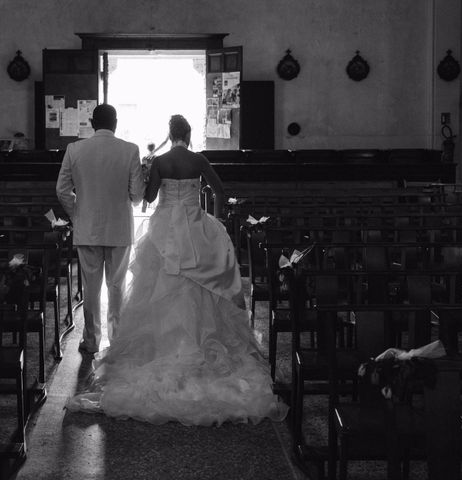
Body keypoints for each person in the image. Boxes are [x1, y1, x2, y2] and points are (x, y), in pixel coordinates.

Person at [66, 114, 288, 426]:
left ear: (171, 134)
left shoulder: (161, 161)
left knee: (158, 287)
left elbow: (151, 196)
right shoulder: (198, 160)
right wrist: (217, 218)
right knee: (202, 287)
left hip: (165, 229)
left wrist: (147, 172)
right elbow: (220, 189)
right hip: (196, 226)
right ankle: (198, 341)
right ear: (189, 133)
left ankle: (158, 346)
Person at [56, 104, 146, 354]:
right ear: (115, 123)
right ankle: (116, 340)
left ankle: (92, 340)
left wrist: (77, 213)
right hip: (119, 228)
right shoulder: (130, 150)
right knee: (116, 286)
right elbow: (137, 195)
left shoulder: (75, 149)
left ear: (92, 123)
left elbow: (62, 190)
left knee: (91, 288)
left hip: (87, 228)